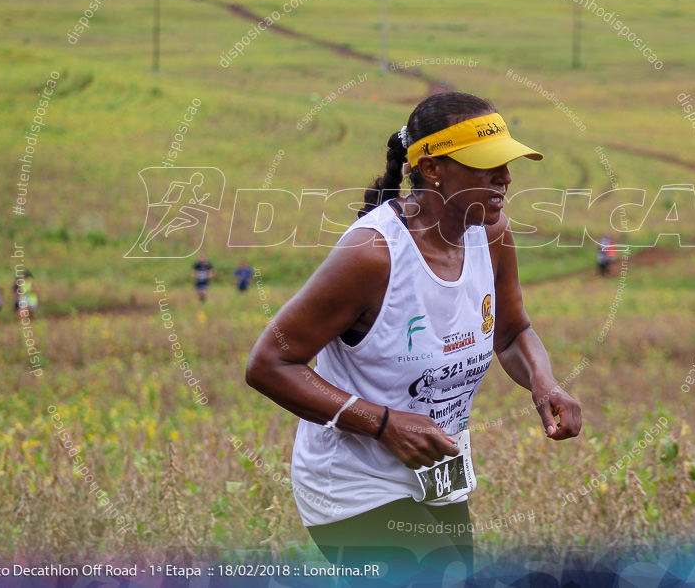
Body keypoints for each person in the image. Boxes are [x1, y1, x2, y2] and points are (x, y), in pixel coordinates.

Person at [246, 92, 583, 581]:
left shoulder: (491, 233)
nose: (505, 179)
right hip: (353, 484)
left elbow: (511, 332)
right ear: (431, 168)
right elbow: (268, 365)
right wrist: (384, 424)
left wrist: (544, 383)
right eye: (486, 166)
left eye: (507, 164)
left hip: (438, 472)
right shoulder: (372, 255)